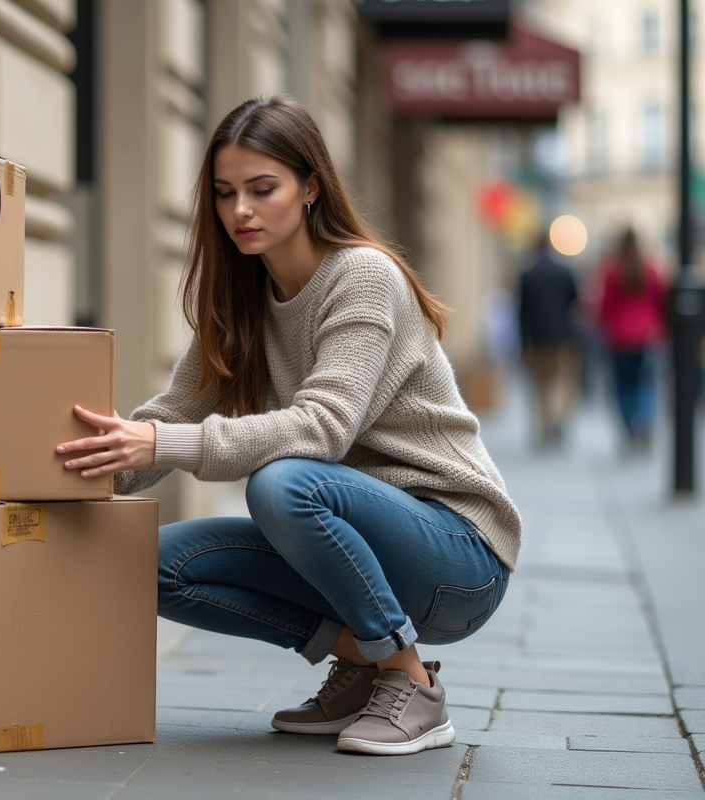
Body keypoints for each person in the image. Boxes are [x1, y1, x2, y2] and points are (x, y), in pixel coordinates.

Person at [56, 96, 521, 756]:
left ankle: (412, 682)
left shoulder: (361, 275)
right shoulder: (240, 299)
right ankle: (367, 664)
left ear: (309, 188)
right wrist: (82, 467)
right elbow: (174, 413)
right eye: (224, 193)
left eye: (261, 189)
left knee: (282, 484)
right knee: (147, 567)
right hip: (353, 540)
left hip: (456, 553)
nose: (239, 211)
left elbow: (323, 429)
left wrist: (167, 444)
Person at [595, 227, 666, 453]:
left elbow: (604, 308)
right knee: (644, 384)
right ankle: (643, 422)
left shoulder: (612, 272)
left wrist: (602, 327)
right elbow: (661, 303)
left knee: (622, 386)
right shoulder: (651, 271)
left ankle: (630, 428)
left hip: (619, 339)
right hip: (647, 337)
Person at [517, 233, 580, 447]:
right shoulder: (565, 271)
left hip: (537, 339)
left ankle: (546, 425)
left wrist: (523, 343)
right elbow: (575, 302)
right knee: (563, 382)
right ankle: (558, 418)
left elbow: (522, 312)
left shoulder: (528, 274)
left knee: (541, 385)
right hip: (563, 337)